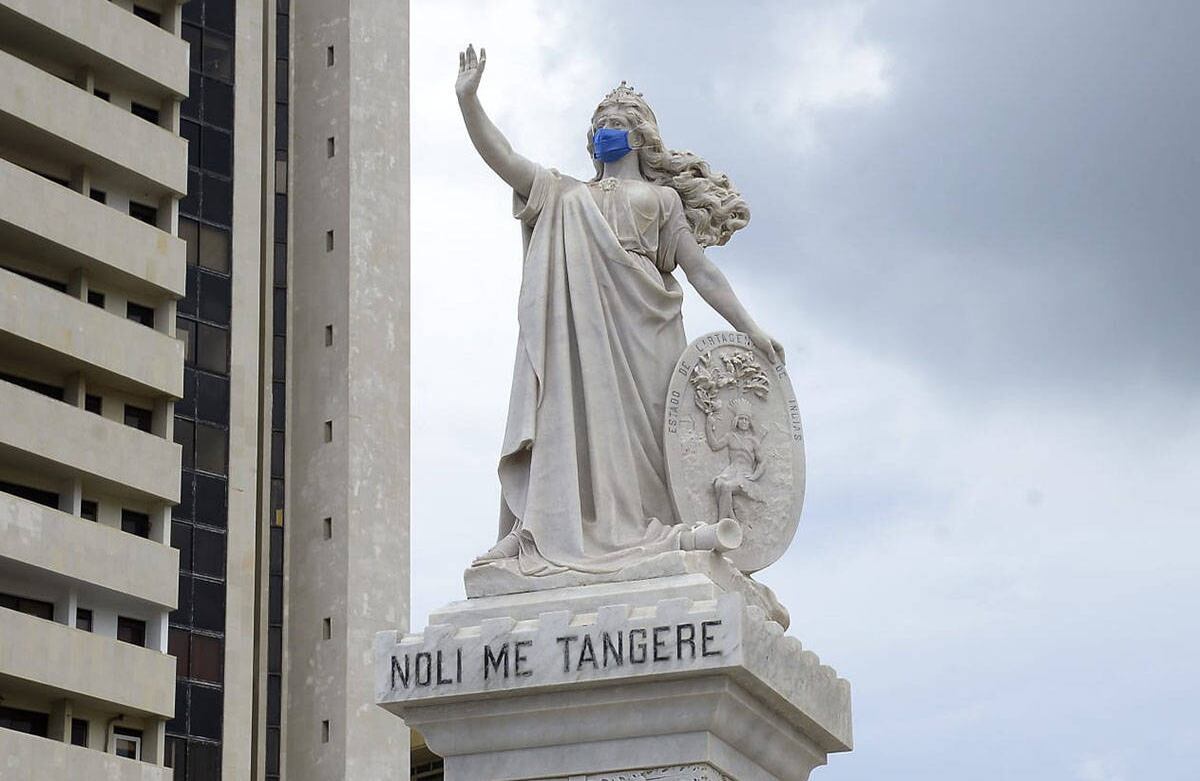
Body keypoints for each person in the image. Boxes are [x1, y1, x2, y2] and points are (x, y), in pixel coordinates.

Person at [456, 45, 784, 575]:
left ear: (638, 137)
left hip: (647, 332)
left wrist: (751, 328)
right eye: (598, 124)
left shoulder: (663, 201)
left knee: (652, 449)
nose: (602, 131)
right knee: (567, 422)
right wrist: (469, 102)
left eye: (614, 123)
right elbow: (505, 159)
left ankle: (646, 527)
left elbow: (701, 271)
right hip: (581, 333)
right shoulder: (564, 195)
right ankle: (541, 530)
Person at [706, 398, 767, 523]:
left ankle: (721, 523)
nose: (744, 422)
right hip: (731, 471)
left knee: (726, 487)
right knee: (718, 484)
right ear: (736, 421)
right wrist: (708, 427)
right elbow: (715, 446)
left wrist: (755, 476)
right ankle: (732, 519)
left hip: (744, 474)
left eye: (746, 419)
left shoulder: (753, 441)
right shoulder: (730, 437)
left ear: (749, 422)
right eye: (741, 419)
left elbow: (762, 462)